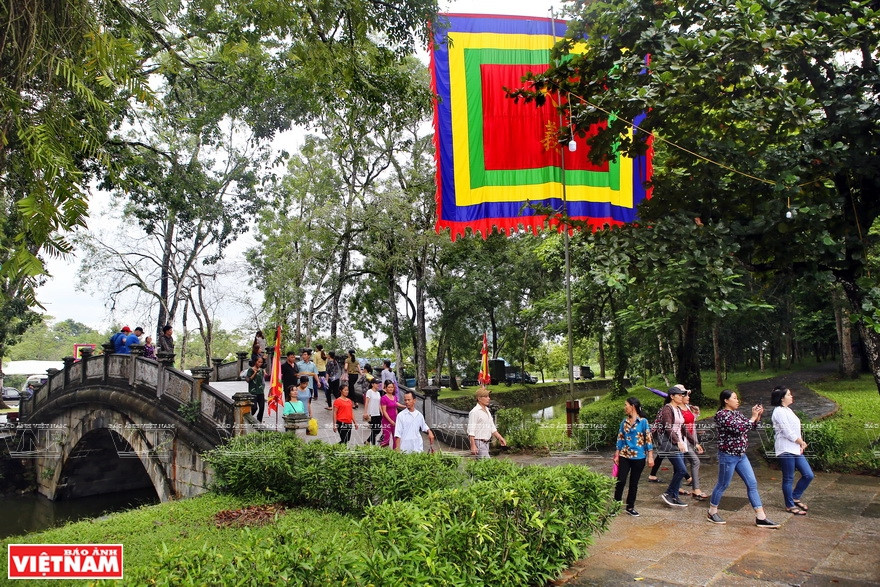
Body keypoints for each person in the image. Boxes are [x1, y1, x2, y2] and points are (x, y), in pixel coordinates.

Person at [707, 390, 780, 528]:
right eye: (734, 398)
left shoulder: (737, 413)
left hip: (741, 455)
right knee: (723, 484)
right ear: (726, 401)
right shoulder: (721, 415)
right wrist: (752, 417)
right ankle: (712, 512)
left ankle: (761, 517)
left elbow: (750, 427)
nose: (737, 400)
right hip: (728, 455)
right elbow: (739, 429)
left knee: (752, 484)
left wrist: (757, 416)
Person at [771, 386, 814, 515]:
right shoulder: (778, 412)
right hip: (785, 449)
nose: (791, 396)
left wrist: (800, 444)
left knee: (808, 475)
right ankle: (789, 505)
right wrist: (800, 442)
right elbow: (787, 431)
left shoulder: (788, 410)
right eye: (789, 394)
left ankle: (795, 496)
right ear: (782, 398)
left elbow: (795, 430)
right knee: (788, 478)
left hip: (795, 448)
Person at [613, 396, 654, 516]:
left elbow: (648, 439)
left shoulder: (643, 422)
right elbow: (620, 439)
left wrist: (650, 456)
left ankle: (630, 507)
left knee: (634, 483)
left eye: (626, 405)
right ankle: (616, 506)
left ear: (633, 406)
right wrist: (616, 455)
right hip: (624, 455)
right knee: (620, 481)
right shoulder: (624, 422)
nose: (624, 407)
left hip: (639, 457)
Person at [657, 386, 690, 508]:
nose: (682, 396)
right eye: (679, 394)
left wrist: (695, 442)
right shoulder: (667, 409)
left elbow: (682, 428)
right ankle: (668, 493)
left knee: (679, 470)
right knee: (682, 470)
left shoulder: (678, 409)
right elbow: (668, 427)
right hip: (670, 444)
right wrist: (678, 441)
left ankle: (675, 496)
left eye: (683, 395)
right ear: (672, 396)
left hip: (678, 443)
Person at [682, 388, 708, 500]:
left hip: (689, 440)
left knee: (681, 465)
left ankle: (677, 487)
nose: (688, 395)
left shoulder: (687, 407)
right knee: (695, 461)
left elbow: (691, 422)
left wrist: (695, 414)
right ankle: (695, 489)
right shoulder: (675, 409)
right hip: (682, 441)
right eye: (685, 393)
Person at [467, 387, 507, 458]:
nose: (488, 398)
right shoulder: (474, 412)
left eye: (488, 396)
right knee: (487, 464)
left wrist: (500, 438)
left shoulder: (487, 410)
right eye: (486, 396)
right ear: (479, 399)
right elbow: (471, 431)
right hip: (479, 443)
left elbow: (492, 427)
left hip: (486, 443)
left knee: (482, 466)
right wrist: (473, 445)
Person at [379, 380, 403, 447]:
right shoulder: (383, 398)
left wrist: (404, 406)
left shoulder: (394, 397)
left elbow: (395, 405)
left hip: (394, 420)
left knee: (395, 438)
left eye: (392, 387)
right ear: (385, 388)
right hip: (386, 421)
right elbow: (384, 412)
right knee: (386, 438)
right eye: (389, 387)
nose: (391, 389)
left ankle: (395, 453)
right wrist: (391, 421)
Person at [246, 356, 267, 422]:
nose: (260, 363)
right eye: (259, 362)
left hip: (260, 391)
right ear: (255, 362)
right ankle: (249, 417)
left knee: (262, 407)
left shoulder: (261, 370)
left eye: (261, 362)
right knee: (254, 407)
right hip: (253, 392)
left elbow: (263, 381)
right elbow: (248, 380)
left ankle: (259, 420)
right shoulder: (250, 370)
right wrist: (255, 373)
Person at [363, 377, 383, 445]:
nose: (378, 385)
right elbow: (367, 402)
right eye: (376, 383)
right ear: (372, 384)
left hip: (378, 413)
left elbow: (379, 404)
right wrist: (365, 412)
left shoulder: (378, 393)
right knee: (374, 430)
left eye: (378, 383)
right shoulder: (369, 391)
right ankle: (373, 445)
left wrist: (382, 413)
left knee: (378, 429)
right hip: (371, 414)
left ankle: (368, 441)